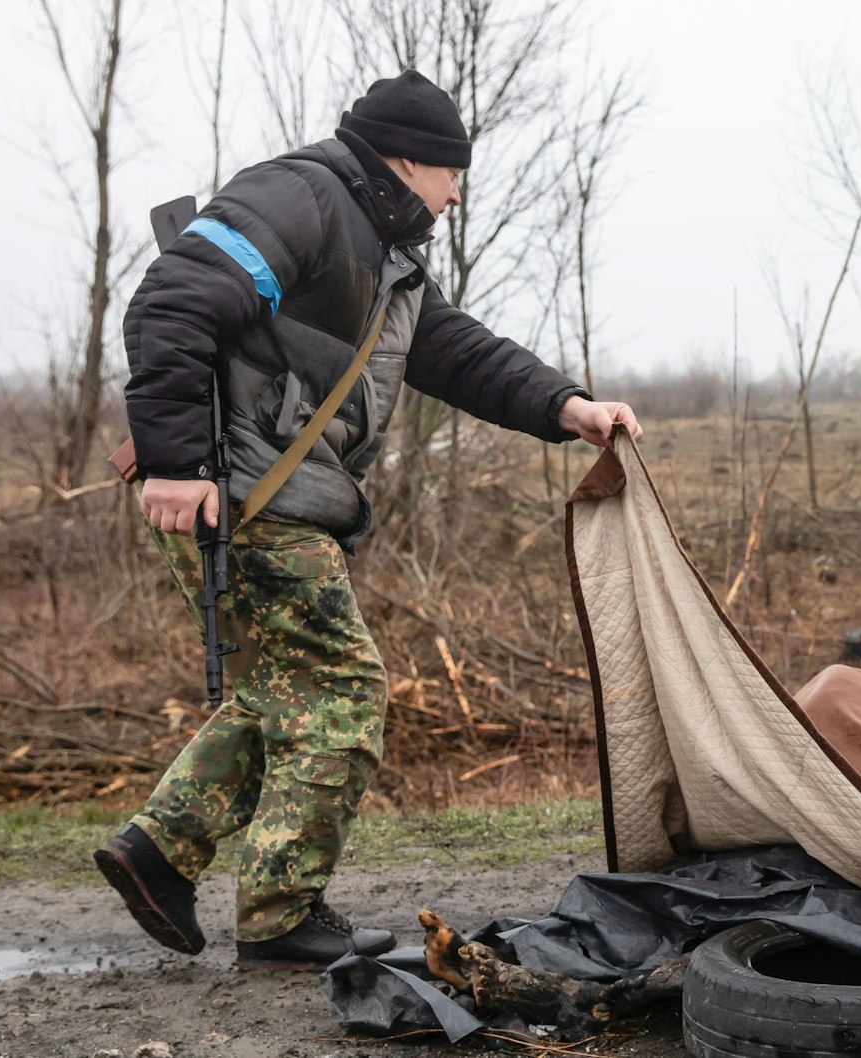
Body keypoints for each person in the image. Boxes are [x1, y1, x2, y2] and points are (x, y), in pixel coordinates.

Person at [94, 69, 641, 970]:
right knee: (342, 690)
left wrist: (566, 407)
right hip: (243, 496)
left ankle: (160, 853)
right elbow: (173, 300)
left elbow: (457, 352)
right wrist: (176, 462)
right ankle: (277, 914)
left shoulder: (384, 252)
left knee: (289, 690)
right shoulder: (304, 195)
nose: (459, 192)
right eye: (452, 173)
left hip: (274, 497)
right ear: (408, 159)